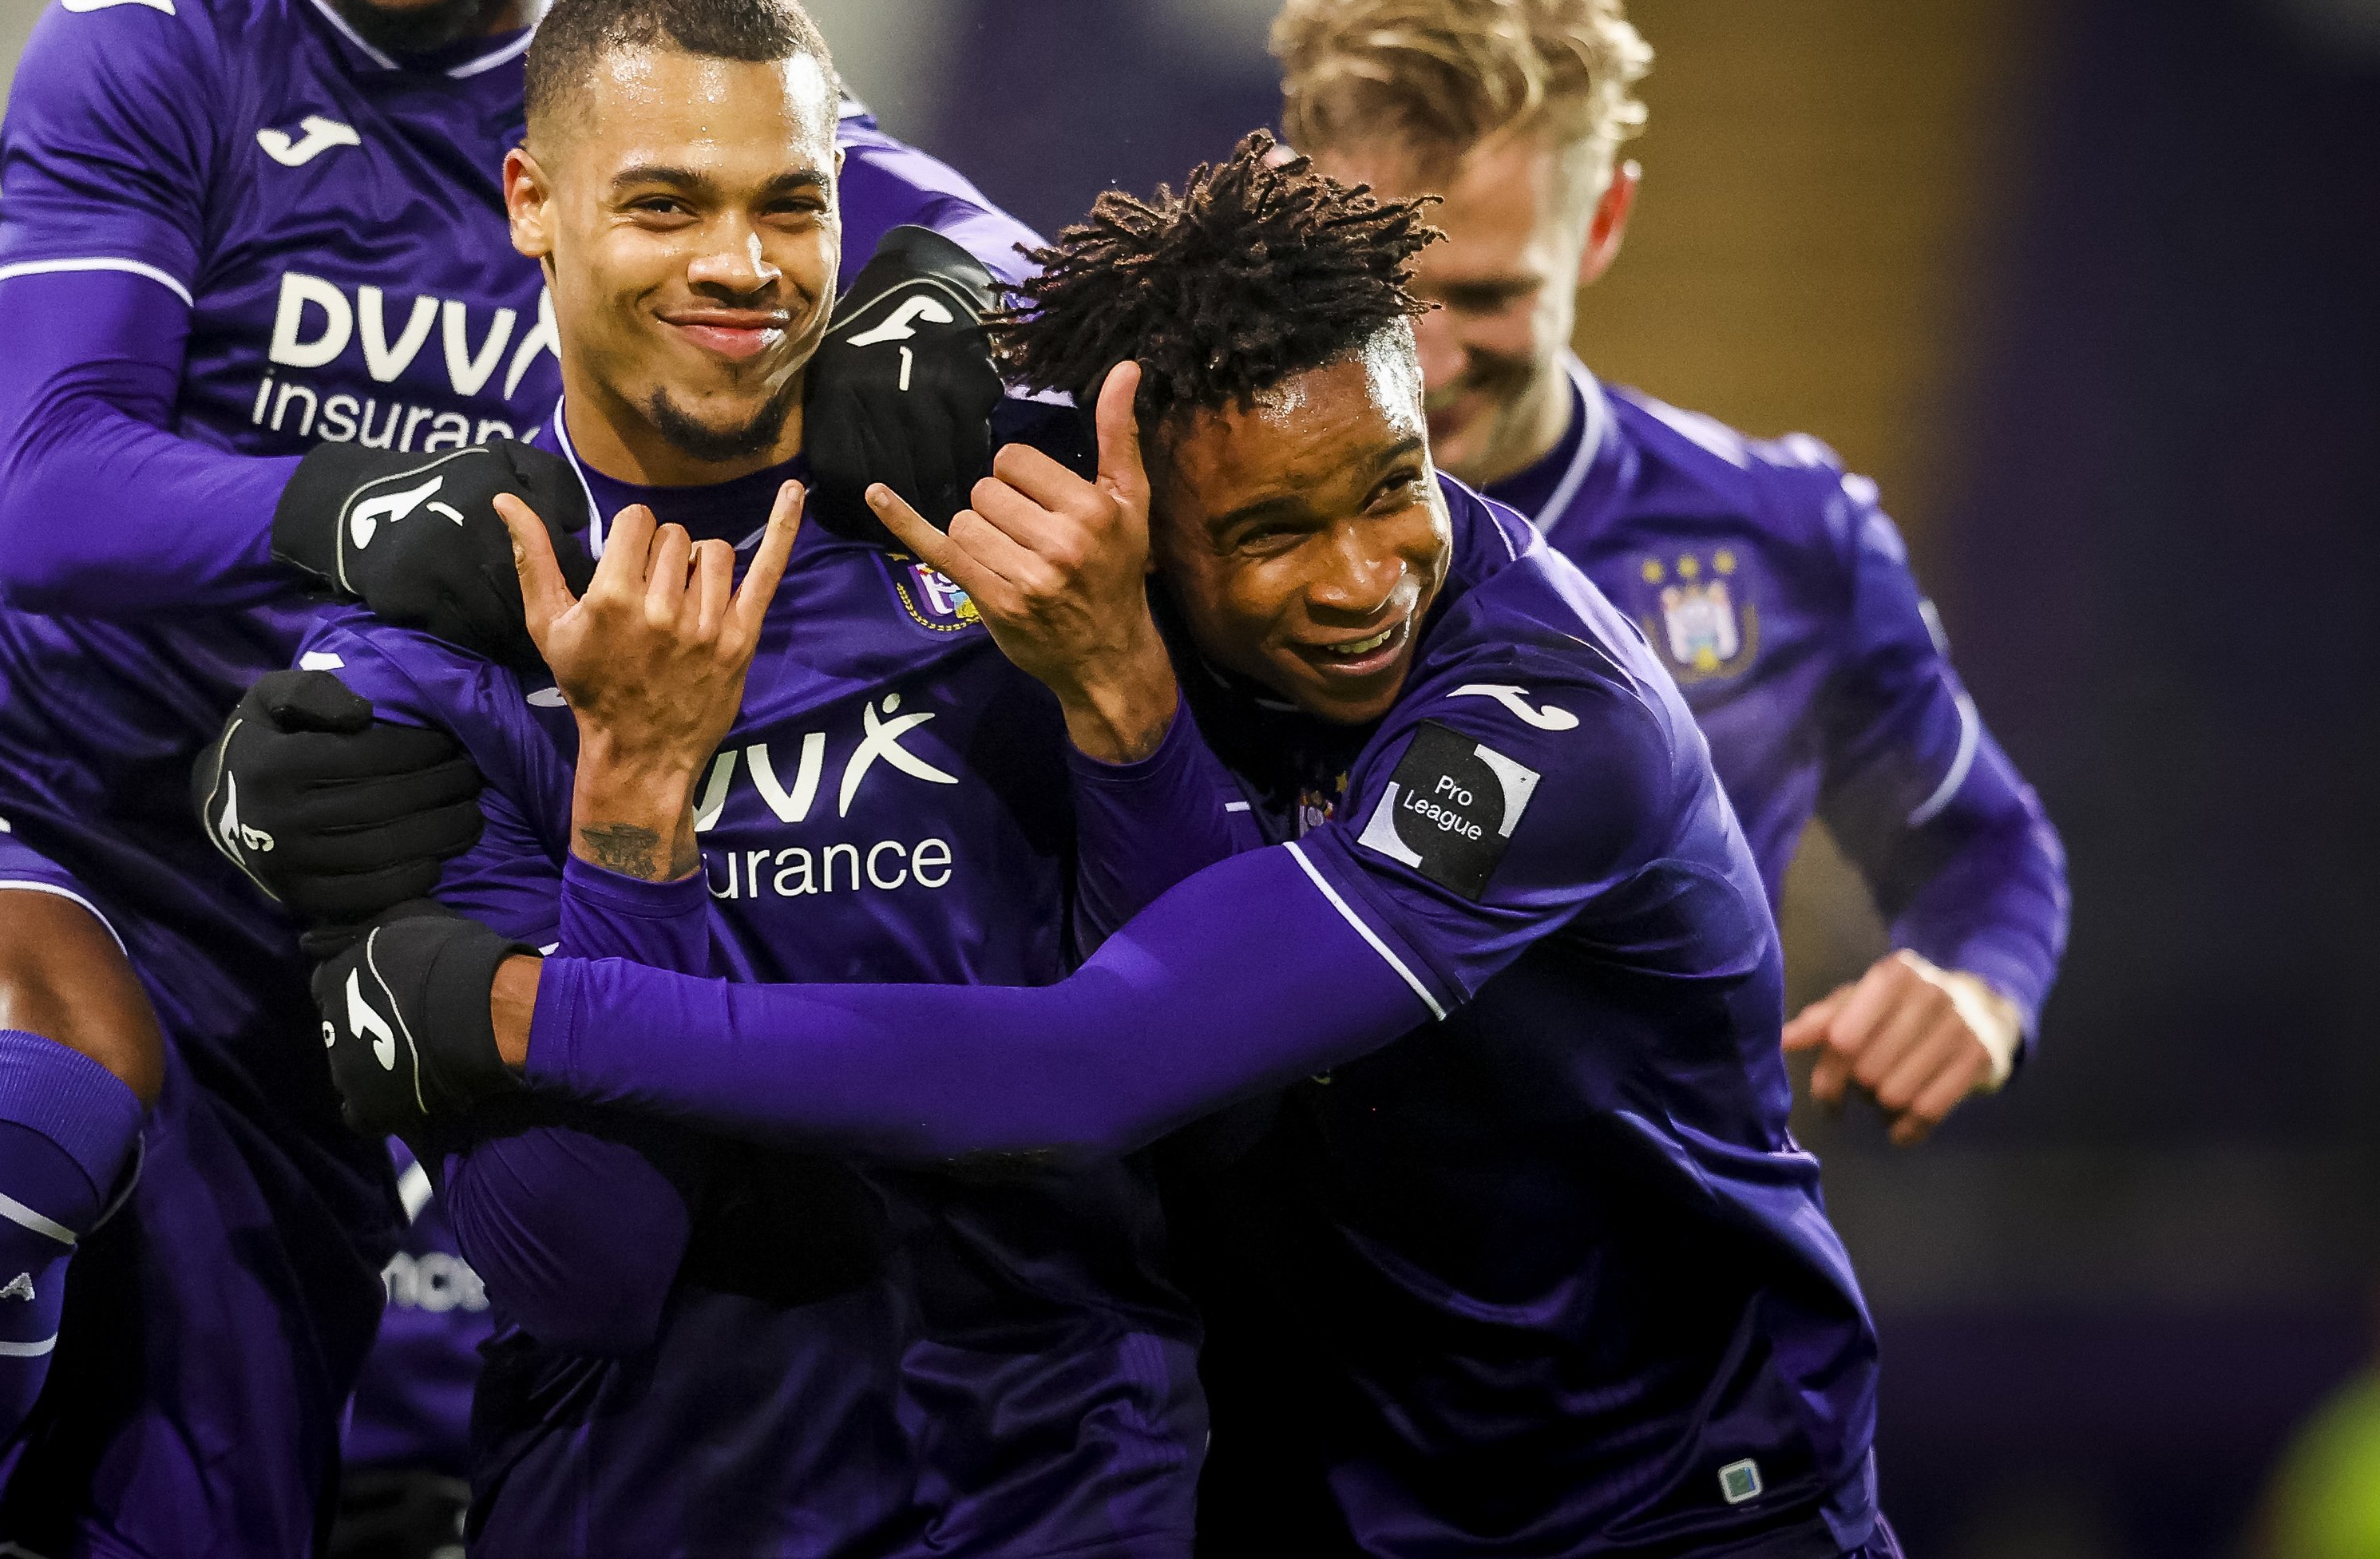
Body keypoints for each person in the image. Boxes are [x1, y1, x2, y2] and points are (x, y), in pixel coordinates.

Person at [0, 0, 1033, 1559]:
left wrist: (956, 310)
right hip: (42, 814)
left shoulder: (646, 112)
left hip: (347, 931)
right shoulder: (158, 37)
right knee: (39, 1099)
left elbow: (999, 267)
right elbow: (52, 488)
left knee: (245, 1505)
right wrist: (355, 507)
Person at [319, 141, 1902, 1557]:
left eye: (1393, 487)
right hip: (1317, 1487)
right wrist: (390, 607)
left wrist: (517, 1009)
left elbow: (1087, 1073)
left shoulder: (1552, 724)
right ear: (1134, 509)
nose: (1363, 579)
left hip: (1670, 1503)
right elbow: (739, 273)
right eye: (1273, 533)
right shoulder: (1099, 546)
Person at [269, 0, 1218, 1556]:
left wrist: (1127, 698)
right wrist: (631, 797)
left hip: (1073, 1486)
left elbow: (1211, 1054)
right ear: (529, 202)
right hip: (652, 1507)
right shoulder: (412, 673)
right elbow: (575, 1272)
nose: (740, 266)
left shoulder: (1010, 517)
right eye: (663, 206)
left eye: (789, 206)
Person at [1268, 0, 2069, 1138]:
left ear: (1600, 227)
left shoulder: (1784, 541)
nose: (1422, 360)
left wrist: (1977, 987)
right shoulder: (1180, 526)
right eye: (1376, 282)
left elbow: (1984, 850)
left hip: (1647, 1304)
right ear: (1290, 203)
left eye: (1487, 294)